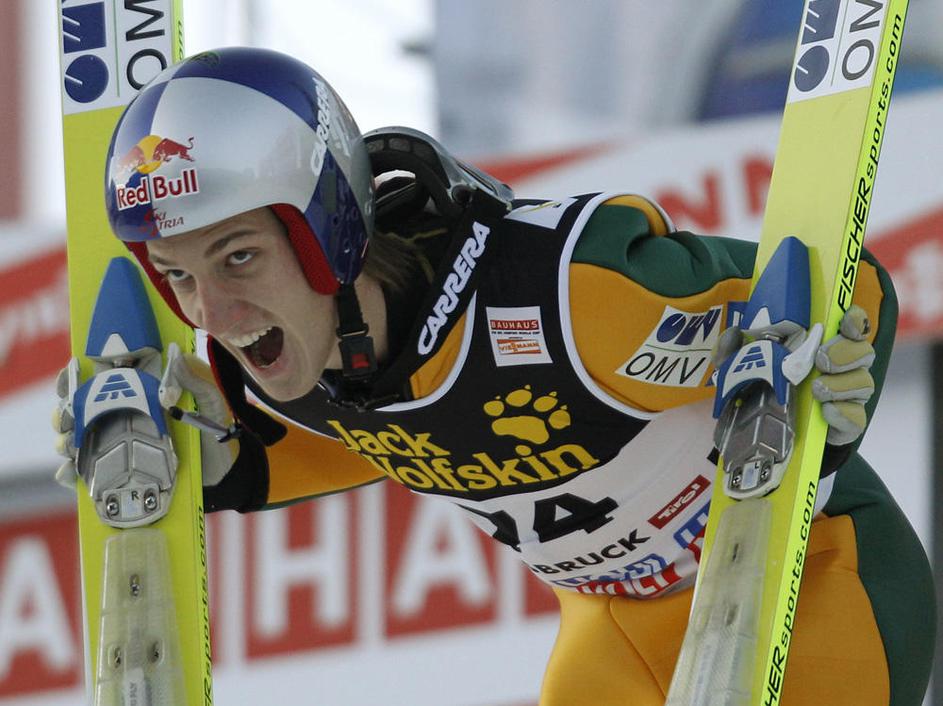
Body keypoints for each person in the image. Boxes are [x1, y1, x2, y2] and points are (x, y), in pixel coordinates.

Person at [56, 47, 934, 705]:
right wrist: (205, 465)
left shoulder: (568, 300)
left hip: (814, 581)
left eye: (238, 256)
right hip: (610, 634)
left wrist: (818, 383)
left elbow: (839, 285)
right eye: (177, 276)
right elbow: (367, 437)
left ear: (325, 230)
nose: (211, 312)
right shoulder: (296, 371)